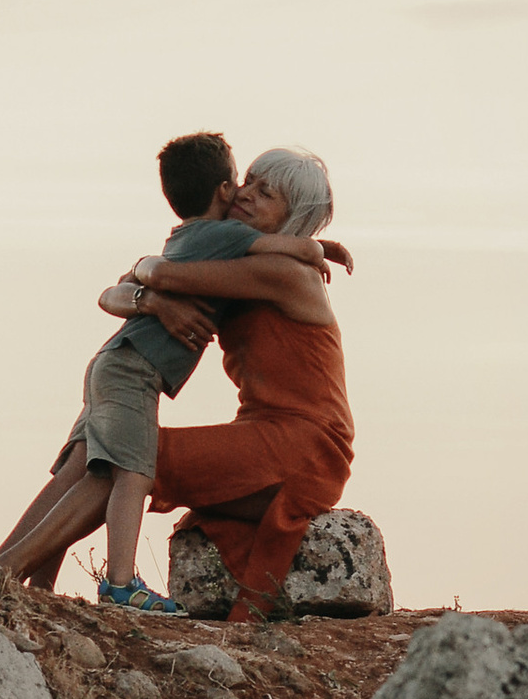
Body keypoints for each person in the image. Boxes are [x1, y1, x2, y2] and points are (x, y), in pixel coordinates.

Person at [0, 131, 260, 609]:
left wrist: (145, 297)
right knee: (128, 473)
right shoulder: (227, 237)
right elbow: (279, 249)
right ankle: (118, 582)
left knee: (71, 476)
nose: (242, 192)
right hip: (134, 370)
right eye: (238, 182)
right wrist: (318, 248)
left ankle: (21, 580)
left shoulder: (181, 240)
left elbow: (115, 288)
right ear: (223, 189)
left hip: (110, 363)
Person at [122, 146, 357, 620]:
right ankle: (17, 572)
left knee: (130, 451)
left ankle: (16, 569)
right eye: (248, 181)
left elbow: (157, 272)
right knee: (108, 445)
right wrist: (152, 300)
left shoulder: (282, 272)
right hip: (267, 432)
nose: (245, 194)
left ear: (292, 219)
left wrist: (151, 289)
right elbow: (119, 290)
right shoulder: (244, 255)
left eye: (265, 193)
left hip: (307, 443)